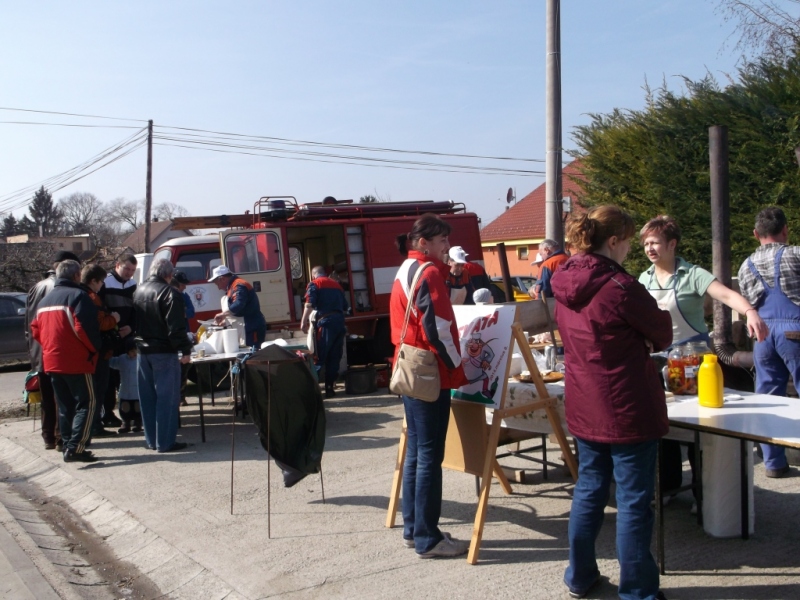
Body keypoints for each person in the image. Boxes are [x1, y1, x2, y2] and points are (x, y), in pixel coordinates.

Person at [551, 205, 672, 600]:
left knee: (589, 490)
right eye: (627, 244)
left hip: (586, 402)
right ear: (615, 241)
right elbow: (661, 332)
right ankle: (637, 592)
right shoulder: (620, 287)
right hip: (626, 405)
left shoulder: (562, 278)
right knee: (634, 503)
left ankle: (580, 575)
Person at [638, 215, 768, 502]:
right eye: (646, 243)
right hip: (658, 360)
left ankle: (703, 495)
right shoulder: (643, 278)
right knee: (664, 425)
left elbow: (726, 294)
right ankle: (669, 487)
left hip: (694, 361)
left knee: (697, 428)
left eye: (655, 242)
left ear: (672, 244)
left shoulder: (692, 274)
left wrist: (750, 312)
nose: (649, 248)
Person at [390, 213, 469, 559]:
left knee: (417, 453)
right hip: (428, 371)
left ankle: (414, 530)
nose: (447, 247)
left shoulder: (405, 268)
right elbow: (437, 328)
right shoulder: (430, 271)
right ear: (423, 243)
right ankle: (428, 538)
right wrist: (460, 368)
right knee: (428, 457)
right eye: (442, 241)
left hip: (407, 365)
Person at [738, 206, 800, 478]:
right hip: (795, 331)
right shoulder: (796, 254)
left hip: (762, 335)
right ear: (785, 230)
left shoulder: (745, 265)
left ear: (755, 234)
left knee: (767, 399)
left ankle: (774, 463)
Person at [30, 260, 101, 463]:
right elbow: (83, 329)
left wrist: (52, 347)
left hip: (52, 360)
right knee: (88, 402)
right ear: (77, 276)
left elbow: (35, 330)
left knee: (65, 405)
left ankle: (68, 444)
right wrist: (93, 349)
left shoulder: (45, 301)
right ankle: (76, 446)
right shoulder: (79, 296)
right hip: (76, 360)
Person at [133, 258, 193, 453]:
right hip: (164, 351)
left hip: (143, 351)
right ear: (169, 275)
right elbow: (176, 328)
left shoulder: (138, 290)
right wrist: (185, 350)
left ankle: (151, 440)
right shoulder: (170, 293)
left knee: (148, 398)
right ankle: (165, 442)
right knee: (167, 399)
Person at [25, 250, 81, 451]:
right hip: (56, 350)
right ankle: (60, 437)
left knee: (47, 397)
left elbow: (28, 324)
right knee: (62, 398)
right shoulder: (60, 288)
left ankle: (48, 435)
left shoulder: (35, 287)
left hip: (38, 350)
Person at [80, 263, 121, 439]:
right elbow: (99, 323)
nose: (102, 285)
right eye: (101, 281)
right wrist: (114, 319)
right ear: (93, 280)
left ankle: (93, 424)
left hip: (87, 352)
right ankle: (95, 425)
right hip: (98, 351)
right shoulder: (91, 297)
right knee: (98, 389)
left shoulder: (80, 295)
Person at [100, 253, 137, 428]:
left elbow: (137, 310)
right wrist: (113, 329)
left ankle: (131, 415)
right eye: (127, 268)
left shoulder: (133, 285)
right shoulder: (105, 283)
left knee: (127, 377)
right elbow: (101, 310)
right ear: (117, 265)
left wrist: (131, 328)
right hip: (110, 334)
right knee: (109, 378)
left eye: (132, 270)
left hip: (127, 335)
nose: (129, 273)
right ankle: (107, 413)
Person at [300, 266, 349, 398]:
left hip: (325, 324)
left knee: (319, 356)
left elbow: (309, 304)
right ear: (325, 274)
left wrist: (303, 321)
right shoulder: (337, 286)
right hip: (339, 323)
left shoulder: (314, 284)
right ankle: (329, 389)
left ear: (314, 275)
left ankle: (313, 390)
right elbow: (345, 306)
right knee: (334, 357)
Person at [210, 265, 268, 347]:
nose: (219, 288)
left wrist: (223, 314)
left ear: (222, 279)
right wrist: (226, 321)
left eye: (218, 284)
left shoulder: (239, 285)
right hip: (248, 326)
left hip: (252, 327)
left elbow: (239, 304)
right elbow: (238, 310)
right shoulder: (233, 286)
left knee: (254, 354)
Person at [171, 270, 195, 407]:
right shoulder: (168, 295)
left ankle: (182, 396)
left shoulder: (185, 296)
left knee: (185, 367)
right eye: (182, 284)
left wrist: (182, 312)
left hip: (184, 334)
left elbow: (191, 312)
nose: (184, 287)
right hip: (173, 337)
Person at [109, 337, 142, 433]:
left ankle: (138, 422)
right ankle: (125, 423)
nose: (134, 354)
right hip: (125, 391)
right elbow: (112, 362)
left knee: (138, 408)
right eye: (132, 351)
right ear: (127, 351)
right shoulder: (122, 359)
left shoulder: (141, 359)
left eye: (136, 351)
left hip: (138, 391)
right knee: (125, 408)